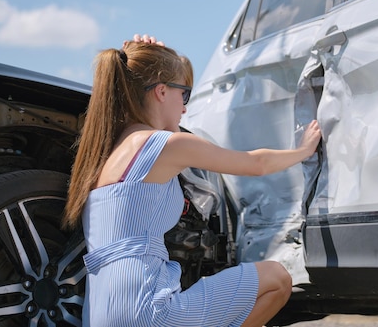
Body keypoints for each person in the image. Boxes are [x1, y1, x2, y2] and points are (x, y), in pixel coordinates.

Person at [63, 34, 322, 327]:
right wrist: (303, 150)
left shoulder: (102, 156)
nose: (185, 107)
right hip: (149, 313)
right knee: (277, 278)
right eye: (183, 93)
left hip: (98, 317)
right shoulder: (166, 145)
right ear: (161, 92)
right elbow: (256, 164)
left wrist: (142, 57)